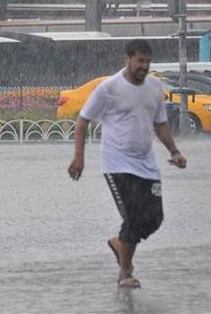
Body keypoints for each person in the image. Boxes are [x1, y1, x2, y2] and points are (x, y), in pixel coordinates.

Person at [68, 39, 186, 288]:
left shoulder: (154, 86)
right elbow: (82, 121)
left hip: (147, 164)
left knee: (154, 218)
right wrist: (79, 158)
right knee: (133, 217)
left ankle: (120, 243)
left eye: (148, 61)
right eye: (140, 60)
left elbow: (160, 123)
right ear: (127, 60)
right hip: (117, 163)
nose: (144, 66)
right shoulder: (108, 88)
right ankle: (125, 272)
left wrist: (174, 151)